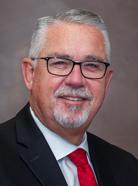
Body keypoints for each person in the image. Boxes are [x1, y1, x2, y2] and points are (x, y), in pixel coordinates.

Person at [0, 9, 137, 186]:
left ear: (106, 81)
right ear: (30, 74)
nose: (76, 80)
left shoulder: (128, 168)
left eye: (92, 65)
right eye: (60, 63)